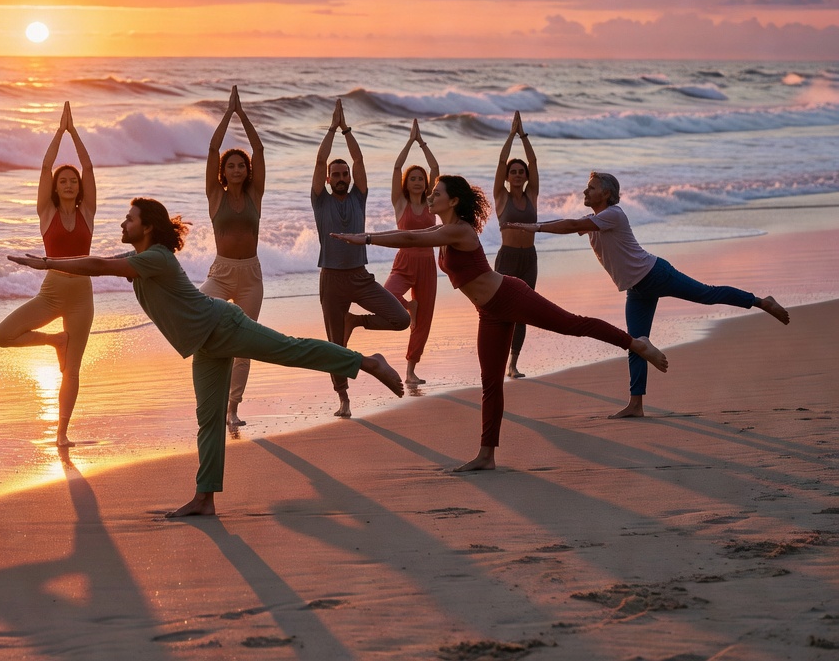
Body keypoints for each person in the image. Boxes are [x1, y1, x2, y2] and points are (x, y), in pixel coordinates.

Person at [9, 198, 404, 518]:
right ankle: (204, 498)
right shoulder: (142, 259)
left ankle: (367, 362)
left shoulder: (156, 258)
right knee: (208, 420)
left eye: (129, 219)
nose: (122, 225)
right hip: (205, 344)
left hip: (223, 325)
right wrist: (55, 264)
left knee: (292, 351)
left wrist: (45, 263)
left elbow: (98, 267)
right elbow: (101, 262)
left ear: (147, 226)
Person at [334, 175, 669, 472]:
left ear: (452, 201)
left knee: (573, 324)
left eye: (437, 193)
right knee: (490, 381)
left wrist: (365, 238)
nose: (431, 198)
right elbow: (413, 234)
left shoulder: (460, 231)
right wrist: (369, 237)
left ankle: (636, 343)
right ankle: (486, 455)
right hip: (489, 311)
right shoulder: (443, 229)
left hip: (510, 296)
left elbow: (409, 240)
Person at [504, 171, 789, 418]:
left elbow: (573, 225)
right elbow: (569, 225)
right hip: (637, 289)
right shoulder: (595, 219)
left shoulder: (613, 215)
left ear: (606, 193)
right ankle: (636, 404)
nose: (584, 191)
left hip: (656, 274)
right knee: (637, 342)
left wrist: (535, 227)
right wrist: (537, 227)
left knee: (707, 294)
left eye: (590, 188)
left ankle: (761, 301)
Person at [0, 102, 96, 446]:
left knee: (73, 369)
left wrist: (74, 131)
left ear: (79, 188)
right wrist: (59, 130)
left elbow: (88, 165)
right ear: (55, 187)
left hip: (82, 295)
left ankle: (62, 433)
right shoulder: (46, 211)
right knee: (3, 335)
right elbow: (46, 165)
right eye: (62, 181)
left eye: (73, 181)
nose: (68, 184)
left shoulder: (88, 212)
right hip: (51, 293)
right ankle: (55, 341)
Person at [311, 99, 410, 416]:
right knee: (334, 345)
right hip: (331, 279)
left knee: (402, 319)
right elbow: (319, 159)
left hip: (360, 277)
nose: (341, 177)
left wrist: (346, 129)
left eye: (344, 173)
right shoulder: (320, 201)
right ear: (328, 179)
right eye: (335, 174)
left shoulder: (359, 196)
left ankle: (357, 322)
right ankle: (344, 399)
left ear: (350, 177)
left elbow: (358, 157)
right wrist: (331, 129)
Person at [199, 86, 266, 425]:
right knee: (196, 312)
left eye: (241, 166)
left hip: (251, 277)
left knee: (245, 343)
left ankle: (232, 409)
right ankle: (210, 385)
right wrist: (228, 113)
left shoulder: (255, 194)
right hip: (221, 273)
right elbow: (213, 148)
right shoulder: (215, 194)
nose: (237, 169)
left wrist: (245, 115)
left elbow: (259, 148)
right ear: (223, 172)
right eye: (231, 166)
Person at [376, 119, 440, 385]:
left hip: (427, 265)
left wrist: (421, 142)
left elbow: (435, 168)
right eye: (412, 178)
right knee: (388, 294)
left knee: (423, 321)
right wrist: (409, 141)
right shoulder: (400, 202)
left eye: (420, 179)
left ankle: (410, 371)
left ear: (426, 184)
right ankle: (408, 307)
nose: (416, 181)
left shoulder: (432, 203)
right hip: (403, 262)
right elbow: (396, 167)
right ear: (406, 183)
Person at [493, 111, 539, 379]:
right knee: (502, 311)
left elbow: (533, 160)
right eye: (514, 172)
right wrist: (511, 136)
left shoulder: (532, 195)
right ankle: (498, 359)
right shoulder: (501, 196)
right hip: (507, 258)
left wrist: (524, 136)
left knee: (523, 310)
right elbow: (500, 161)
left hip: (529, 258)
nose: (519, 174)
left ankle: (513, 364)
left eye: (522, 172)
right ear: (508, 177)